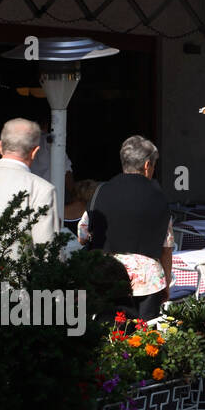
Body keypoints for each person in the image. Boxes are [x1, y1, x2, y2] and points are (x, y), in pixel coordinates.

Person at [83, 136, 174, 321]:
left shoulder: (101, 191)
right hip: (148, 281)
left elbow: (83, 234)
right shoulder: (159, 197)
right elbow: (166, 247)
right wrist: (165, 284)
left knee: (108, 332)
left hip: (106, 276)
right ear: (148, 165)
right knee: (145, 337)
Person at [0, 118, 60, 248]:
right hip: (19, 268)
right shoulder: (42, 189)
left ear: (0, 146)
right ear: (35, 151)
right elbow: (47, 252)